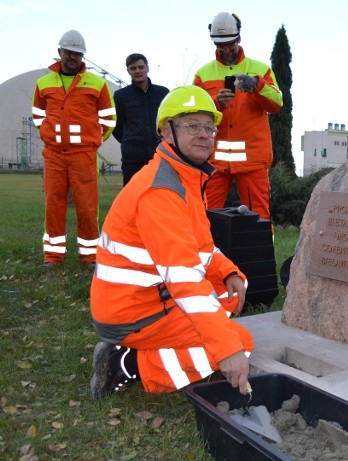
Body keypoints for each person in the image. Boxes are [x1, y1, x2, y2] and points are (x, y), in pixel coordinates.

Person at [89, 85, 253, 399]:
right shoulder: (161, 191)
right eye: (191, 125)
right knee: (240, 343)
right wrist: (228, 348)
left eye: (209, 127)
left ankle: (153, 349)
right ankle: (126, 363)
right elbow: (184, 279)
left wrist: (230, 273)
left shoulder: (185, 178)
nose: (204, 134)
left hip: (148, 296)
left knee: (230, 294)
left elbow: (202, 247)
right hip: (132, 311)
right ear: (167, 132)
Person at [32, 30, 116, 268]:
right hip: (54, 155)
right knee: (53, 204)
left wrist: (93, 140)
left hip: (83, 155)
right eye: (68, 52)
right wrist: (49, 135)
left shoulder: (97, 84)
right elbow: (38, 115)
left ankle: (89, 256)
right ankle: (53, 256)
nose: (72, 57)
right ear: (59, 52)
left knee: (87, 206)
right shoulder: (43, 83)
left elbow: (109, 119)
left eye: (77, 54)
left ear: (83, 57)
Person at [193, 12, 283, 221]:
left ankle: (261, 255)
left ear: (239, 39)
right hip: (214, 160)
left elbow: (277, 102)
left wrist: (258, 86)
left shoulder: (260, 69)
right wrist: (216, 102)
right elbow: (194, 114)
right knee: (206, 215)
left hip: (251, 159)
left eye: (230, 44)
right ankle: (207, 254)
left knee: (259, 216)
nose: (226, 50)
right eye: (220, 45)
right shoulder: (202, 74)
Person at [113, 53, 169, 186]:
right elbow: (116, 126)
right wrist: (129, 139)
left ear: (147, 68)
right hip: (132, 159)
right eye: (133, 68)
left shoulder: (163, 93)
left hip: (160, 155)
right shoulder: (121, 96)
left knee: (160, 194)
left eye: (140, 67)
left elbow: (169, 121)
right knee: (132, 196)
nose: (137, 71)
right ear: (128, 71)